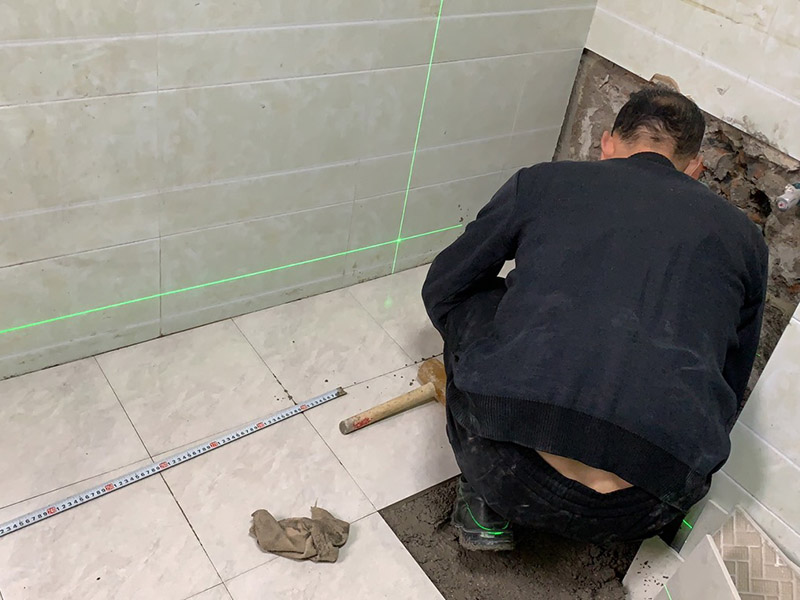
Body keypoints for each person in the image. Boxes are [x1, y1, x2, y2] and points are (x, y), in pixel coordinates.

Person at [422, 87, 769, 551]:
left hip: (510, 473)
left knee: (477, 300)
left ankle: (483, 504)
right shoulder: (747, 241)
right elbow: (732, 377)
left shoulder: (543, 182)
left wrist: (506, 336)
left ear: (606, 142)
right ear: (694, 168)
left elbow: (445, 287)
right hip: (649, 506)